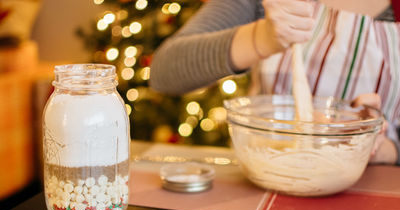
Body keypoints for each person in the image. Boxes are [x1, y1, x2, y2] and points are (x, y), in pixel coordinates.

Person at [150, 0, 400, 165]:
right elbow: (164, 71)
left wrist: (381, 148)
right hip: (267, 175)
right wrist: (261, 38)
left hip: (373, 202)